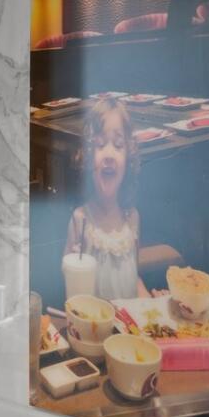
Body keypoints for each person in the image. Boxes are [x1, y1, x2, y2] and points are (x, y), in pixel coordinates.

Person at [64, 96, 147, 298]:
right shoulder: (80, 220)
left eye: (118, 145)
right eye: (100, 145)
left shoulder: (133, 218)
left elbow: (135, 279)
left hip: (129, 329)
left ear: (128, 158)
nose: (109, 154)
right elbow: (71, 293)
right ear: (88, 156)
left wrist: (153, 302)